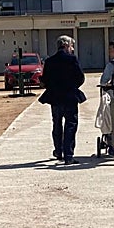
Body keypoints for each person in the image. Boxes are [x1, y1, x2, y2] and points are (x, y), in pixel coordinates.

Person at [38, 35, 85, 165]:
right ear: (66, 45)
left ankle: (58, 151)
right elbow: (80, 77)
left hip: (55, 98)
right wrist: (73, 87)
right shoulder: (72, 59)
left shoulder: (49, 61)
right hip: (70, 97)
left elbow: (45, 80)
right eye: (71, 46)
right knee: (71, 125)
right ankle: (68, 155)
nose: (73, 49)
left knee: (57, 124)